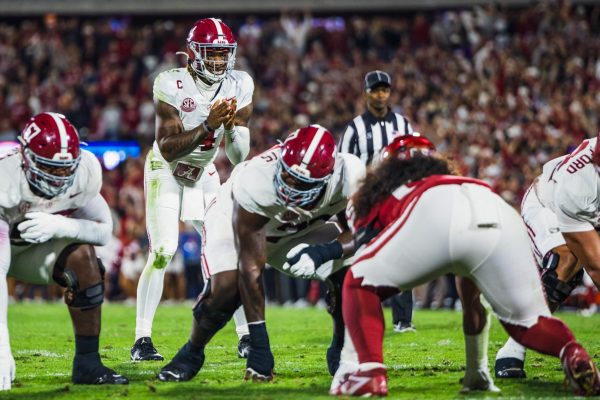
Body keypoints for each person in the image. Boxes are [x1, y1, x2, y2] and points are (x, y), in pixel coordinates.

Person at [330, 135, 600, 397]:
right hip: (496, 209)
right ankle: (571, 352)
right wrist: (476, 369)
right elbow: (470, 299)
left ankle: (370, 374)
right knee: (529, 322)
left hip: (436, 212)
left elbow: (364, 248)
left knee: (357, 280)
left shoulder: (386, 189)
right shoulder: (457, 179)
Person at [157, 125, 365, 382]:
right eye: (287, 175)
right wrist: (260, 345)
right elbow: (251, 266)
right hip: (236, 224)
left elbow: (363, 232)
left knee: (354, 267)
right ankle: (191, 352)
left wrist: (324, 252)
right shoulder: (256, 180)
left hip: (298, 231)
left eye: (300, 183)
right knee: (227, 289)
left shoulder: (350, 176)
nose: (289, 186)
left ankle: (342, 344)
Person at [131, 17, 254, 361]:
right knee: (163, 249)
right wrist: (208, 125)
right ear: (193, 54)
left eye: (222, 53)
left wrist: (230, 129)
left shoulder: (239, 84)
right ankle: (142, 339)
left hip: (205, 170)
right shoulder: (171, 83)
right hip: (166, 169)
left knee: (225, 249)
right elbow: (168, 146)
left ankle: (245, 336)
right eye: (211, 53)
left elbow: (238, 155)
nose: (217, 61)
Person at [0, 112, 128, 390]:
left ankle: (88, 363)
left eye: (66, 168)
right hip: (4, 250)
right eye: (50, 168)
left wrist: (59, 225)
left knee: (84, 258)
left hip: (31, 254)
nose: (59, 177)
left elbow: (104, 230)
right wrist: (1, 345)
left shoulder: (83, 173)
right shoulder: (4, 177)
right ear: (26, 158)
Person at [495, 135, 600, 378]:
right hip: (549, 204)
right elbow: (595, 269)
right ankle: (516, 344)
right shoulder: (579, 186)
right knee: (565, 265)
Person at [338, 70, 415, 333]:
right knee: (363, 254)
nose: (381, 94)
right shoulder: (354, 129)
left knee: (403, 254)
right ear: (366, 92)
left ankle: (403, 319)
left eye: (385, 90)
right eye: (376, 90)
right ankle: (364, 311)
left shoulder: (403, 125)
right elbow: (343, 166)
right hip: (367, 200)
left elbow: (413, 158)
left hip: (396, 198)